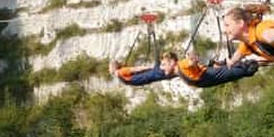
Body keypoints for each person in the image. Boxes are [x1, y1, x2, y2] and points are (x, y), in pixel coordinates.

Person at [110, 50, 258, 88]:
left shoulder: (181, 65)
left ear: (172, 62)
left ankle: (249, 65)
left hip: (206, 76)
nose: (162, 66)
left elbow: (190, 63)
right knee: (237, 70)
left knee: (241, 70)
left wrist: (192, 58)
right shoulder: (178, 70)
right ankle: (247, 65)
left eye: (164, 64)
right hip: (205, 77)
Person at [175, 52, 259, 88]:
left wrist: (211, 64)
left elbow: (194, 64)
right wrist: (192, 56)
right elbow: (192, 62)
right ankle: (249, 67)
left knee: (229, 70)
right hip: (204, 76)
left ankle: (248, 67)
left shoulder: (181, 65)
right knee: (232, 71)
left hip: (204, 75)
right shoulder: (182, 64)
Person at [109, 52, 178, 86]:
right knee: (159, 71)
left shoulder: (119, 76)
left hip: (144, 80)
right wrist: (150, 67)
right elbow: (137, 69)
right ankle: (176, 70)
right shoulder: (122, 71)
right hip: (146, 76)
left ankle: (175, 72)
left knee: (162, 74)